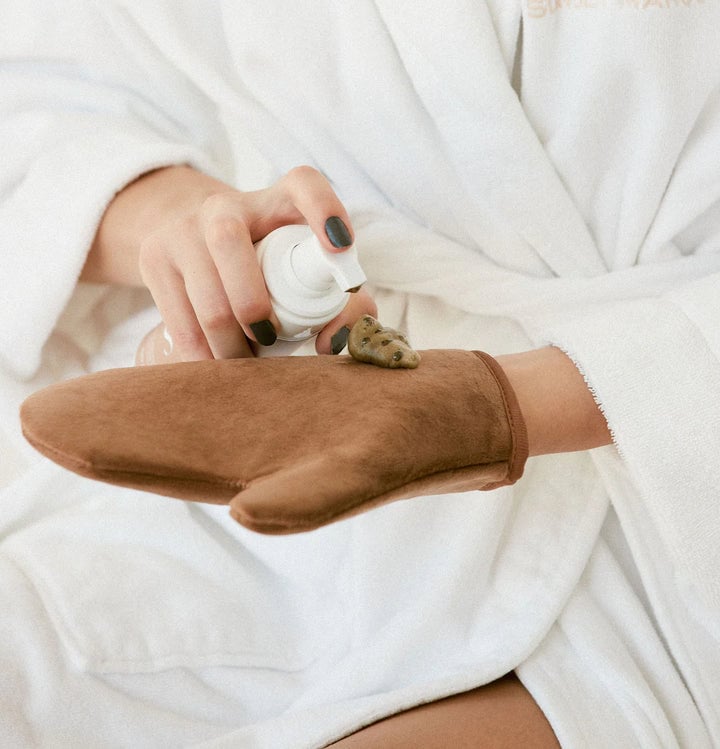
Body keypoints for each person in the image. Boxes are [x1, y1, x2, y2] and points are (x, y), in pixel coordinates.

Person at [1, 2, 718, 747]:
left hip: (667, 520)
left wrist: (488, 408)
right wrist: (211, 240)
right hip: (285, 473)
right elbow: (48, 89)